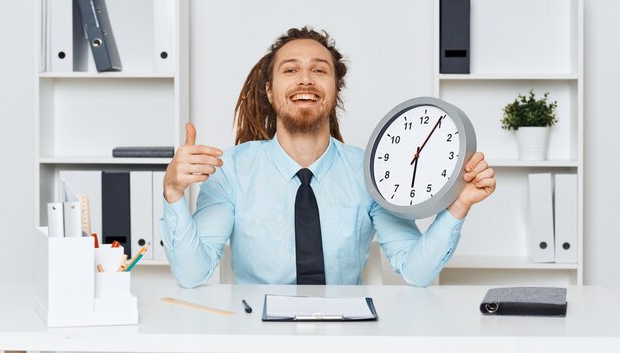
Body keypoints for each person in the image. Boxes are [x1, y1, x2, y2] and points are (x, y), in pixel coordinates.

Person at [161, 27, 496, 288]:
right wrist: (173, 193)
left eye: (319, 71)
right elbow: (193, 275)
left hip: (346, 334)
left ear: (336, 89)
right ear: (269, 90)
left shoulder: (371, 171)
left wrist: (459, 204)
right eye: (290, 70)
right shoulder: (230, 170)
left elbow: (416, 270)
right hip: (258, 336)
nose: (305, 79)